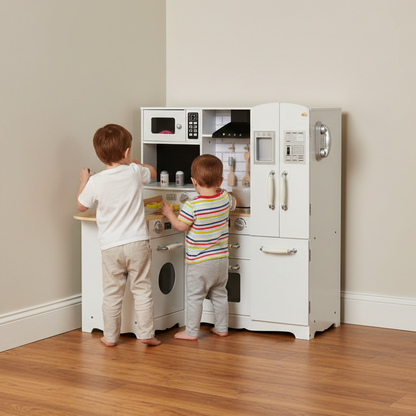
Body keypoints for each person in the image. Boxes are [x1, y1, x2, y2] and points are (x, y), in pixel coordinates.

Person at [76, 124, 161, 347]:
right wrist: (136, 163)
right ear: (126, 152)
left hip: (111, 247)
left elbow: (81, 205)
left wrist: (84, 180)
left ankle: (111, 337)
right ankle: (146, 334)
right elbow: (152, 172)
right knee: (142, 289)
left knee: (112, 294)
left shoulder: (96, 181)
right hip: (137, 243)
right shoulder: (134, 172)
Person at [161, 154, 236, 340]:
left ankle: (191, 332)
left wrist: (170, 213)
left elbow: (181, 226)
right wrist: (224, 192)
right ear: (220, 180)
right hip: (221, 260)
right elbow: (235, 203)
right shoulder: (225, 197)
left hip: (199, 262)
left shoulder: (192, 205)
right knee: (220, 295)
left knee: (195, 297)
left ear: (194, 182)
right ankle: (222, 328)